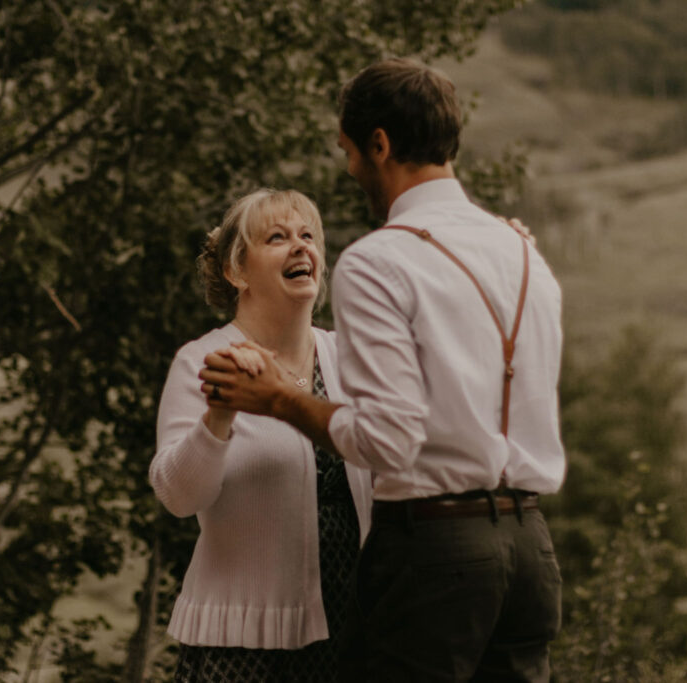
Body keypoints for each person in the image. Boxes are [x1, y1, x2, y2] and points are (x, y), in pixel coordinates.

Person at [199, 58, 566, 682]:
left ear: (379, 144)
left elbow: (387, 441)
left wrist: (278, 399)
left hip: (435, 554)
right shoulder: (524, 253)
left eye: (348, 151)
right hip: (531, 551)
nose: (348, 170)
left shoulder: (378, 261)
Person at [149, 188, 373, 682]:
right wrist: (218, 418)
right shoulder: (204, 361)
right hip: (243, 644)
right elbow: (178, 496)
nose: (300, 247)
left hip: (353, 635)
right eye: (277, 237)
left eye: (307, 236)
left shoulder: (350, 358)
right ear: (237, 271)